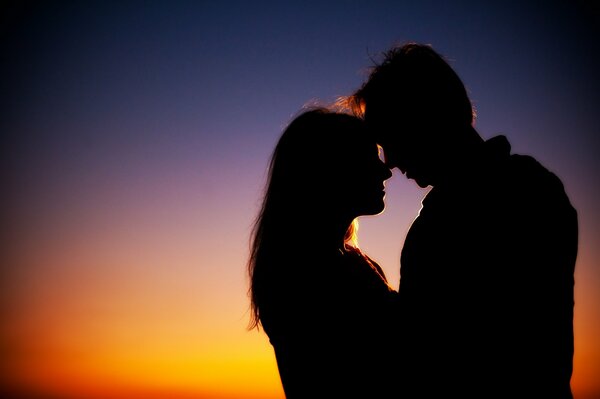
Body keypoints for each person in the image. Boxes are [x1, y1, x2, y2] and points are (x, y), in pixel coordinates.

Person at [346, 43, 578, 398]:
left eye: (390, 137)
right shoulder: (531, 187)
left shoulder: (504, 200)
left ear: (426, 117)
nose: (390, 160)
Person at [247, 107, 399, 398]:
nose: (385, 170)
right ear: (330, 170)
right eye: (369, 160)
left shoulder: (350, 262)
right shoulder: (303, 274)